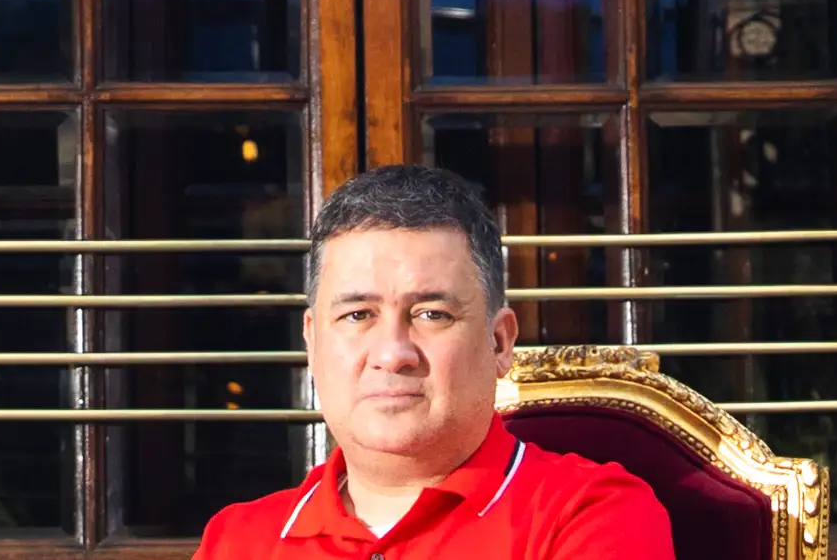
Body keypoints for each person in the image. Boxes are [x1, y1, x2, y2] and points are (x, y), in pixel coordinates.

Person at [194, 166, 676, 560]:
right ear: (313, 344)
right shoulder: (237, 541)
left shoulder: (590, 516)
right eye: (358, 314)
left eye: (431, 314)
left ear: (499, 342)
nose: (392, 354)